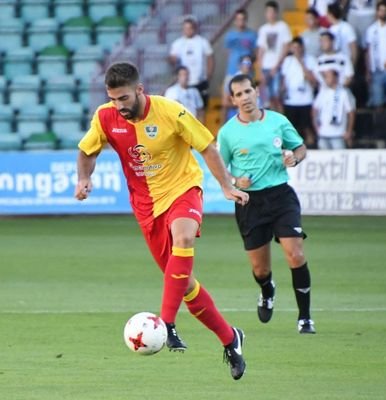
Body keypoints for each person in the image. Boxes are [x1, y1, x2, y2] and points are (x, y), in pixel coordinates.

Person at [74, 62, 248, 380]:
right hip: (146, 207)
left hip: (183, 189)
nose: (118, 106)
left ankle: (166, 322)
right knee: (183, 283)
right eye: (113, 99)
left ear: (140, 90)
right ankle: (230, 339)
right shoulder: (105, 117)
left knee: (183, 238)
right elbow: (87, 151)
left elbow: (207, 146)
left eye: (124, 98)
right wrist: (83, 179)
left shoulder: (171, 111)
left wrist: (225, 185)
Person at [217, 73, 316, 335]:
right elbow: (220, 170)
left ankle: (305, 318)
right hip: (250, 202)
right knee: (260, 269)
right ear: (232, 100)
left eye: (248, 91)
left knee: (296, 254)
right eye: (238, 94)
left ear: (256, 92)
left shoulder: (277, 121)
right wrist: (237, 179)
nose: (245, 97)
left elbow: (301, 148)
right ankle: (267, 289)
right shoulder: (227, 133)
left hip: (281, 196)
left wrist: (295, 158)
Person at [168, 16, 214, 108]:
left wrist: (208, 76)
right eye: (185, 28)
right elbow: (172, 58)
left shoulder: (202, 42)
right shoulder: (178, 43)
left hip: (199, 81)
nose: (188, 30)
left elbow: (210, 58)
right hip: (185, 83)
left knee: (201, 107)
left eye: (190, 28)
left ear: (194, 28)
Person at [281, 36, 318, 148]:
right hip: (290, 100)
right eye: (294, 47)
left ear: (302, 47)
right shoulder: (287, 61)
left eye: (298, 47)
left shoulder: (310, 60)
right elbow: (284, 79)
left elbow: (312, 80)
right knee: (292, 128)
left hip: (305, 99)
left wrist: (300, 62)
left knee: (307, 127)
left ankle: (311, 147)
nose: (296, 50)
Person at [256, 0, 292, 112]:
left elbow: (286, 47)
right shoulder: (263, 29)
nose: (270, 14)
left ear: (276, 13)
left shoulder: (283, 27)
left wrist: (276, 66)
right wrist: (260, 69)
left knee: (277, 96)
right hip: (266, 67)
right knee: (268, 97)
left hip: (278, 67)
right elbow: (261, 50)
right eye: (268, 12)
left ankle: (281, 121)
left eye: (272, 12)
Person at [364, 0, 386, 110]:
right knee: (377, 103)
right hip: (376, 69)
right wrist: (368, 71)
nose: (383, 13)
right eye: (380, 10)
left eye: (385, 11)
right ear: (377, 12)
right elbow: (368, 52)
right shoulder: (371, 29)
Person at [312, 68, 356, 149]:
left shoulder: (344, 92)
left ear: (335, 78)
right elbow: (315, 109)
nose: (325, 79)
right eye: (325, 77)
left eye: (328, 77)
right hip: (323, 133)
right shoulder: (323, 92)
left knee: (340, 159)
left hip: (338, 134)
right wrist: (316, 126)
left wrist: (349, 131)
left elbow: (351, 113)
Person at [221, 54, 257, 121]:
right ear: (239, 65)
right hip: (235, 117)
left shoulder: (252, 80)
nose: (248, 66)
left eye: (249, 63)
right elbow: (225, 103)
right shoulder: (231, 79)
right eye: (245, 63)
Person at [223, 8, 257, 76]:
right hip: (232, 72)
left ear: (246, 20)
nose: (240, 21)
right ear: (235, 21)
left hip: (247, 72)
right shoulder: (230, 35)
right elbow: (228, 52)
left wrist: (249, 63)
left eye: (243, 19)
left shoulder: (252, 35)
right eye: (238, 19)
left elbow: (255, 53)